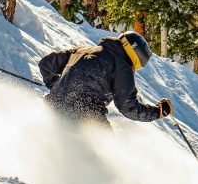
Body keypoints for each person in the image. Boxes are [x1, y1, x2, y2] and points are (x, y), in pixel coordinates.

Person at [39, 31, 173, 126]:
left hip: (53, 104)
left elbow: (46, 64)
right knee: (106, 150)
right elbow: (128, 107)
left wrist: (57, 85)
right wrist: (158, 112)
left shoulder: (85, 50)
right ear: (136, 57)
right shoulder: (122, 67)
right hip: (85, 115)